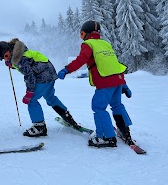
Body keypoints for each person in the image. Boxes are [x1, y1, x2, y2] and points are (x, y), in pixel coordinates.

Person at [57, 20, 133, 148]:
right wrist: (123, 83)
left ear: (85, 33)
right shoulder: (105, 44)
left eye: (81, 34)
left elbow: (81, 59)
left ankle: (106, 137)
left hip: (105, 83)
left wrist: (67, 69)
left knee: (98, 107)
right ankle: (125, 132)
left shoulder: (88, 44)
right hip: (117, 81)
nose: (81, 37)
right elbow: (114, 64)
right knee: (117, 106)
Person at [0, 38, 80, 137]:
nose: (6, 59)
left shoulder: (20, 58)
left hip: (42, 76)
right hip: (50, 75)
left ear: (9, 49)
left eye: (6, 56)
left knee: (31, 100)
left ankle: (39, 127)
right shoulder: (20, 53)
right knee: (50, 98)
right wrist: (13, 65)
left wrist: (29, 93)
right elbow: (30, 65)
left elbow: (29, 75)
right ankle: (67, 117)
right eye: (4, 58)